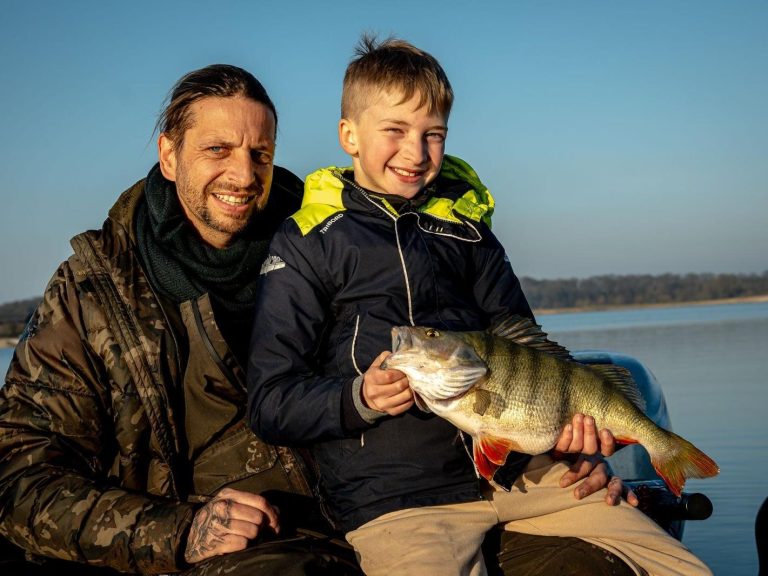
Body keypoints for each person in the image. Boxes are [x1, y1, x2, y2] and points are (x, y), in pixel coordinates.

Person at [247, 37, 713, 576]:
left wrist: (575, 444)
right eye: (394, 130)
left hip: (527, 474)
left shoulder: (471, 235)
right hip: (400, 497)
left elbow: (533, 353)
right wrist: (359, 397)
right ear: (349, 136)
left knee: (679, 568)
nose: (416, 152)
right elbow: (271, 400)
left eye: (433, 135)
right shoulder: (308, 241)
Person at [0, 64, 362, 576]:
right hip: (217, 555)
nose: (243, 175)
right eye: (217, 150)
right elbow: (19, 480)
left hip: (367, 518)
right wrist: (181, 531)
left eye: (260, 153)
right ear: (169, 156)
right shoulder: (93, 291)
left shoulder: (332, 248)